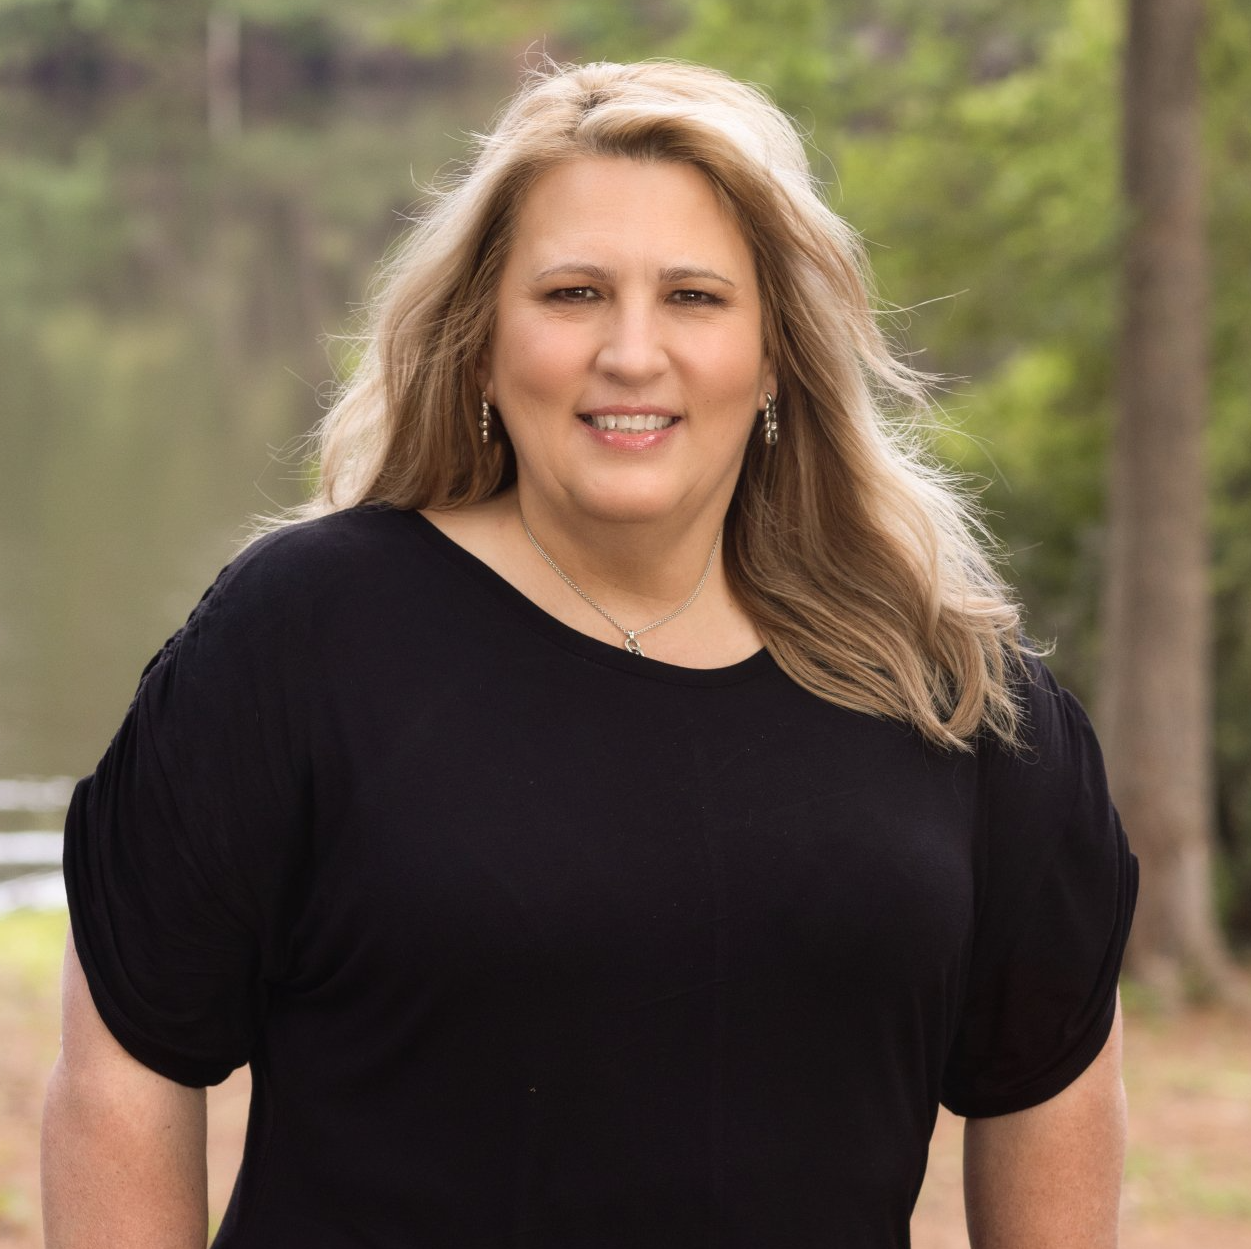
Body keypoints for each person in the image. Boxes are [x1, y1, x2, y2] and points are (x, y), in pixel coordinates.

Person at [42, 60, 1137, 1248]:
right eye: (572, 293)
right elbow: (123, 1073)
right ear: (481, 343)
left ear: (775, 356)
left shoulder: (950, 686)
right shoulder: (304, 634)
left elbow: (1051, 1075)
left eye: (694, 297)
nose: (630, 351)